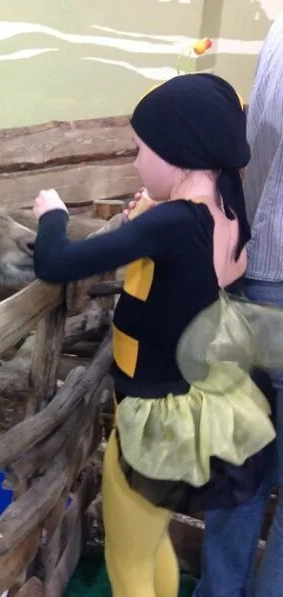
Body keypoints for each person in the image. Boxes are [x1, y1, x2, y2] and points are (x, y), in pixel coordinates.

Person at [31, 73, 276, 597]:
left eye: (140, 150)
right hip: (189, 408)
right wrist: (149, 214)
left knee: (127, 560)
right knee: (150, 541)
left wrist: (52, 215)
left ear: (176, 154)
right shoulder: (227, 209)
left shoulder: (171, 224)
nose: (135, 162)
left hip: (153, 420)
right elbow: (209, 267)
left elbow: (55, 263)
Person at [194, 15, 283, 597]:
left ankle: (218, 591)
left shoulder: (278, 34)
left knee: (242, 467)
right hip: (263, 273)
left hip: (260, 272)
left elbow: (251, 150)